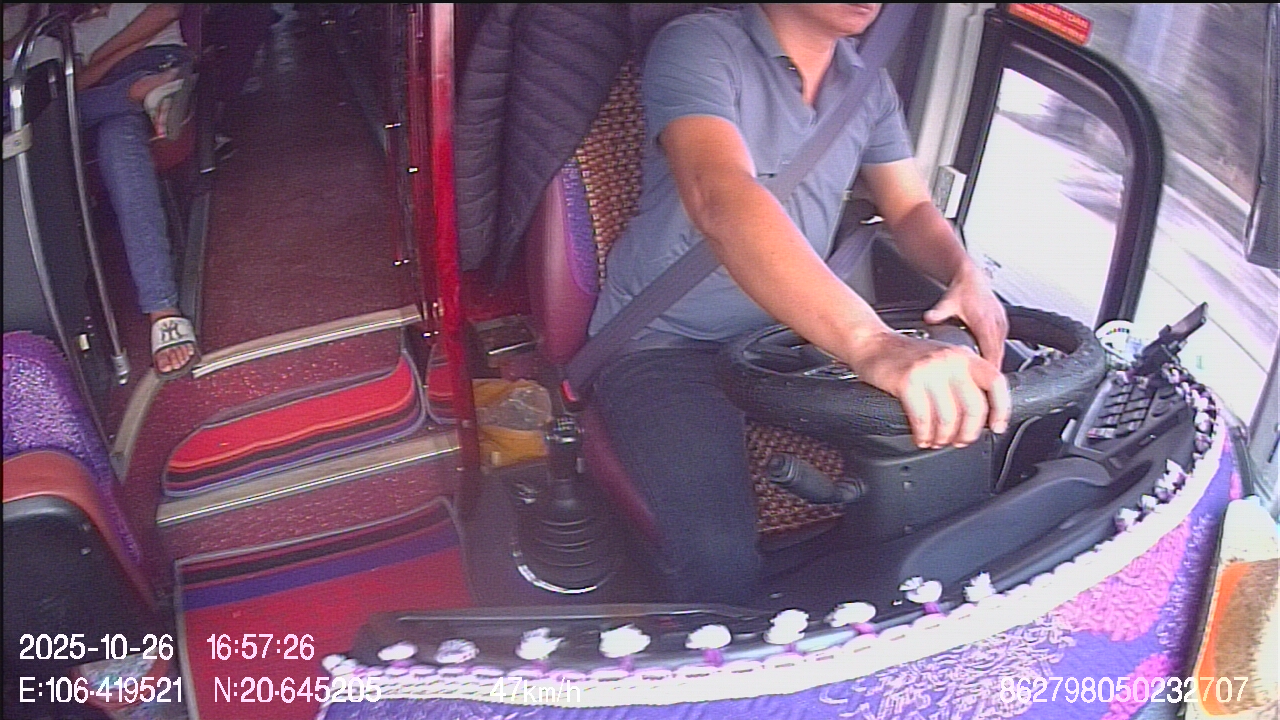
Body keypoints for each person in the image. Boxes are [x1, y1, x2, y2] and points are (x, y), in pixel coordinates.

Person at [587, 4, 1011, 604]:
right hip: (667, 343)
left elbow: (911, 207)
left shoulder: (868, 85)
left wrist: (964, 271)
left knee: (945, 482)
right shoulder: (701, 45)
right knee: (717, 556)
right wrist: (872, 344)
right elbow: (719, 192)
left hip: (789, 339)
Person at [72, 3, 199, 377]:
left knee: (96, 125)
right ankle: (162, 309)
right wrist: (120, 80)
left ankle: (162, 309)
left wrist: (100, 59)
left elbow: (167, 12)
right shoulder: (68, 28)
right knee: (105, 134)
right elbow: (73, 85)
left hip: (156, 64)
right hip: (113, 97)